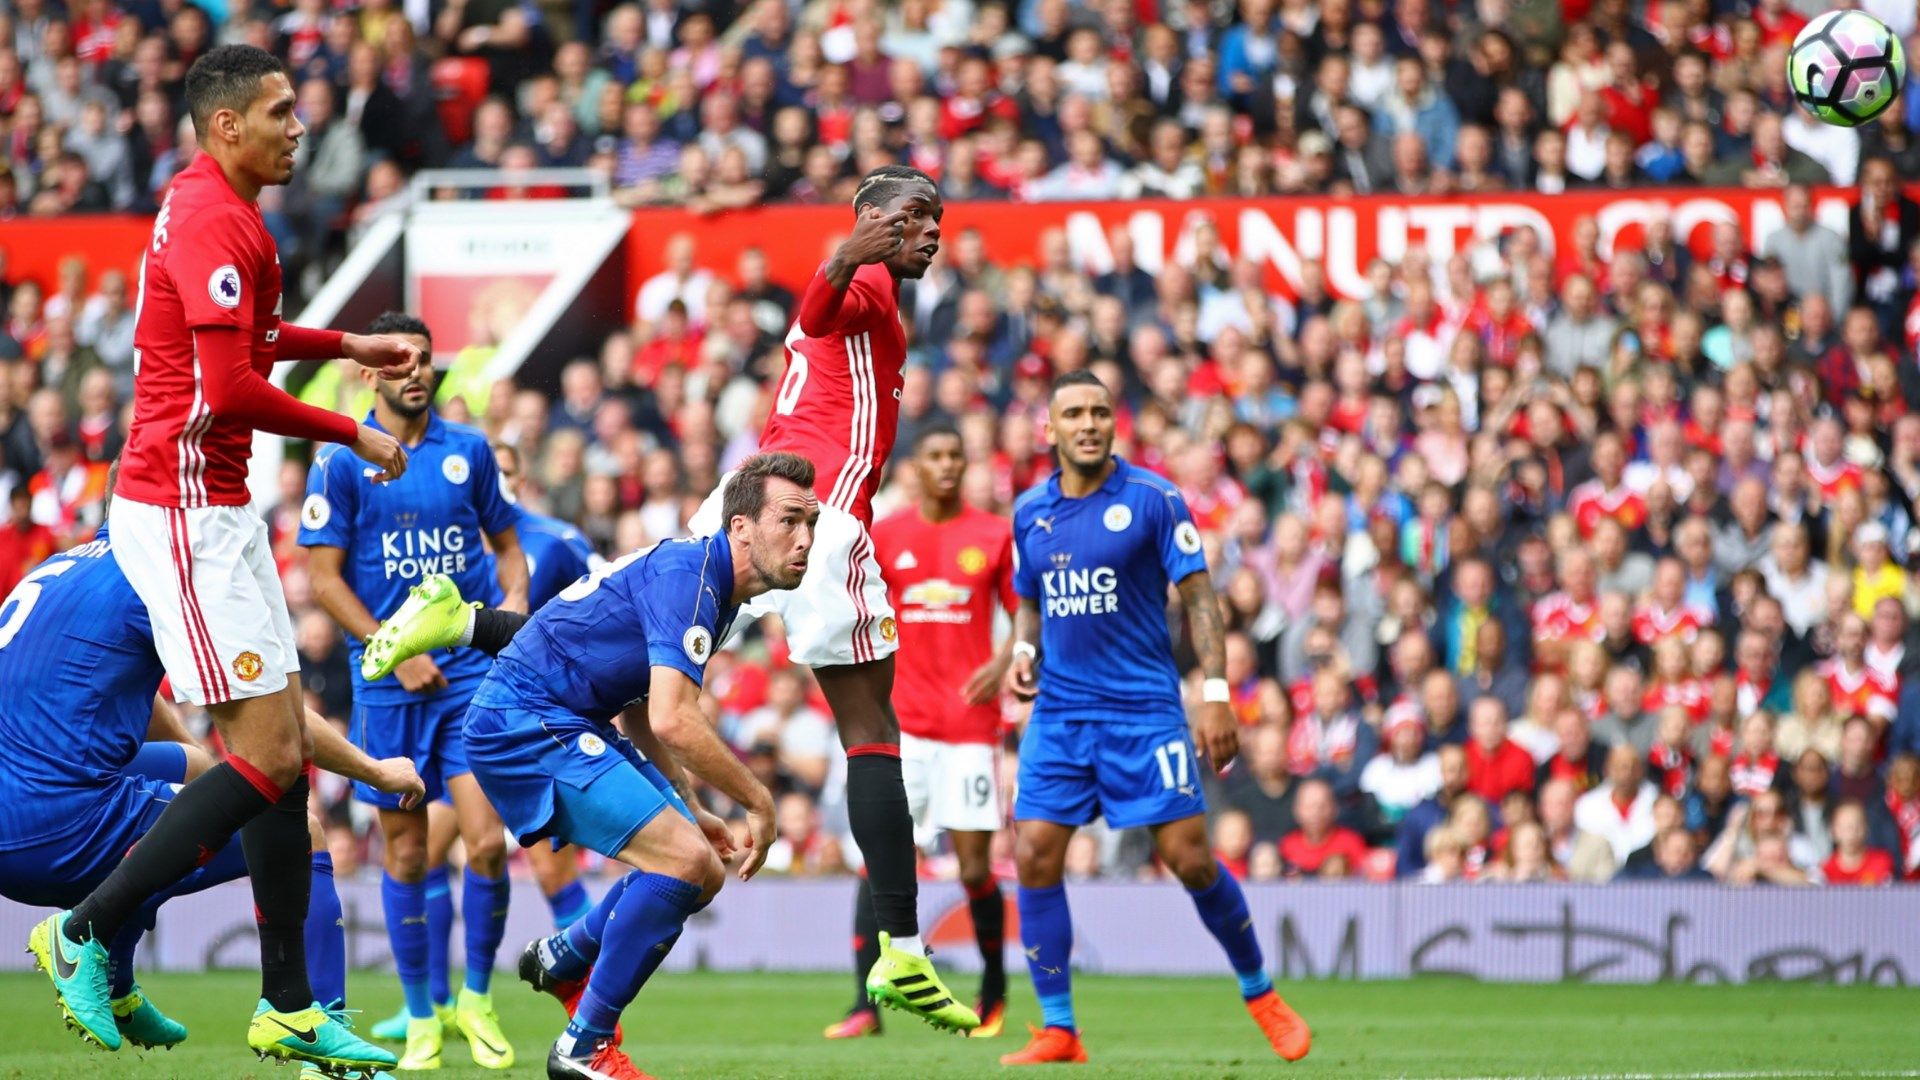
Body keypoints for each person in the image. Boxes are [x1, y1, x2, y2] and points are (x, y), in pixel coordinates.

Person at [30, 43, 419, 1073]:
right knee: (263, 761)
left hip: (222, 503)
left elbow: (251, 338)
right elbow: (228, 390)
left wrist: (346, 349)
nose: (303, 124)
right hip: (183, 504)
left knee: (280, 749)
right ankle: (88, 928)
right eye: (283, 111)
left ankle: (287, 1004)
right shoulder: (212, 218)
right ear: (227, 126)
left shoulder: (225, 213)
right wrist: (354, 430)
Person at [679, 164, 978, 1032]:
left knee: (631, 664)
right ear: (878, 221)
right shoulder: (869, 278)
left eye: (939, 219)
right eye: (917, 216)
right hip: (818, 513)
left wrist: (851, 255)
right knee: (872, 732)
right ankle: (902, 952)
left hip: (741, 496)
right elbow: (817, 307)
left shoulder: (873, 289)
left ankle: (478, 626)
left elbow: (816, 321)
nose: (932, 232)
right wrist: (850, 251)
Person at [2, 523, 420, 1079]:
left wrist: (196, 769)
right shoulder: (165, 573)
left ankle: (118, 984)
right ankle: (324, 1053)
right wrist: (376, 771)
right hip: (58, 827)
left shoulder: (68, 566)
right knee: (303, 831)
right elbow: (277, 727)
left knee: (201, 774)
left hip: (16, 792)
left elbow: (125, 682)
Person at [452, 452, 815, 1079]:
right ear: (741, 528)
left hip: (561, 718)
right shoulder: (693, 578)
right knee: (685, 862)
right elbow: (676, 717)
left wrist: (688, 802)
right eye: (790, 520)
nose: (805, 539)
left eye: (812, 524)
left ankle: (567, 955)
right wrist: (759, 801)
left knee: (701, 873)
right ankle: (583, 1046)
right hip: (523, 718)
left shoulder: (712, 585)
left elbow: (645, 704)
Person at [998, 370, 1311, 1066]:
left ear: (1115, 424)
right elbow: (1029, 597)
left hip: (1143, 711)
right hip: (1061, 712)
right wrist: (1023, 648)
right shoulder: (1029, 513)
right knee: (1033, 853)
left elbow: (1200, 599)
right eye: (1074, 413)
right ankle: (1059, 1027)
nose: (1088, 423)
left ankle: (1261, 992)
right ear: (1048, 430)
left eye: (1100, 412)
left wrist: (1218, 693)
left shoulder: (1153, 499)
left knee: (1190, 859)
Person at [299, 311, 528, 1071]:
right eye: (398, 361)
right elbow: (322, 579)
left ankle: (478, 999)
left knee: (487, 844)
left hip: (467, 674)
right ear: (371, 374)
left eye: (425, 359)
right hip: (390, 688)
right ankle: (423, 1015)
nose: (416, 371)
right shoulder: (341, 460)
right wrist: (389, 651)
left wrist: (511, 623)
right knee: (402, 854)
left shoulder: (469, 453)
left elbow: (508, 550)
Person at [826, 424, 1016, 1039]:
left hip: (969, 727)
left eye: (956, 454)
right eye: (935, 455)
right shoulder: (887, 536)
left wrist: (1006, 656)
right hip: (901, 727)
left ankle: (993, 989)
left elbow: (1025, 614)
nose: (947, 465)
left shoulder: (993, 534)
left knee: (973, 870)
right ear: (915, 467)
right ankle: (863, 1003)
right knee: (880, 859)